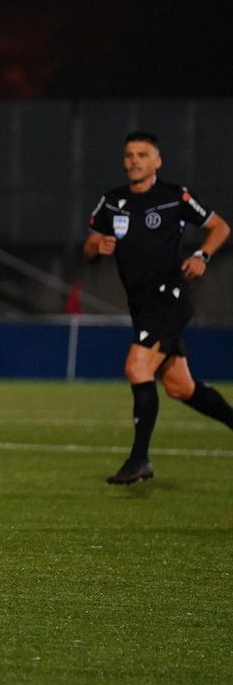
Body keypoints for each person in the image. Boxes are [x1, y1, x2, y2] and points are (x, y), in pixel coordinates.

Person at [83, 131, 232, 484]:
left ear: (156, 161)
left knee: (137, 367)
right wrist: (97, 247)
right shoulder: (111, 201)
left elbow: (220, 227)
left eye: (143, 154)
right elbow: (89, 246)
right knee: (181, 387)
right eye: (130, 154)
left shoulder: (173, 196)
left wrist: (202, 254)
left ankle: (139, 460)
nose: (134, 160)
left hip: (170, 296)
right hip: (142, 305)